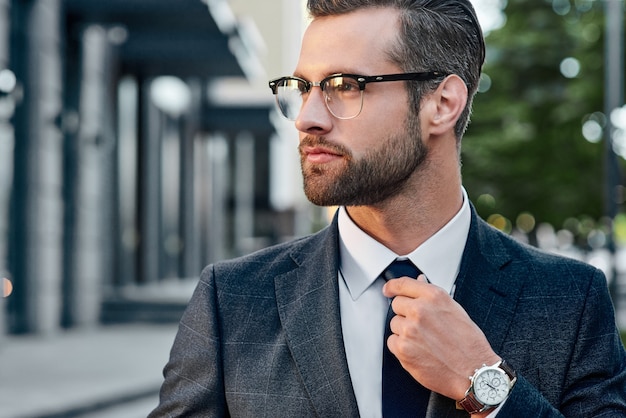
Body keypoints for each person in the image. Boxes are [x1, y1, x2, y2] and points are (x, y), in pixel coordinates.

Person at [149, 0, 626, 416]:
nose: (307, 119)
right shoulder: (231, 301)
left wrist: (486, 385)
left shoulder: (569, 299)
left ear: (442, 102)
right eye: (302, 87)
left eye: (344, 85)